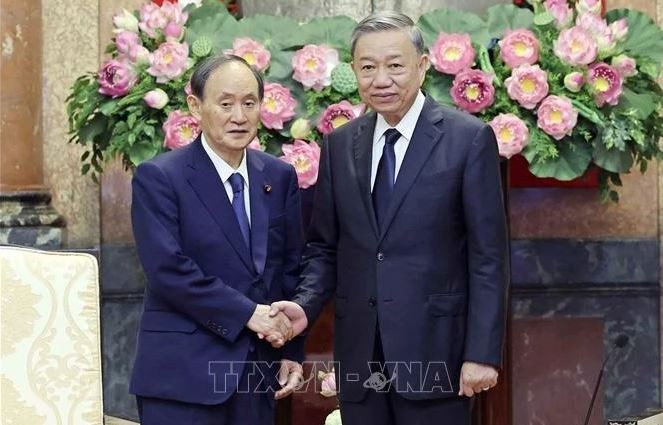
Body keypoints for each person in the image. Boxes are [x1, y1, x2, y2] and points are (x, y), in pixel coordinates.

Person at [272, 11, 509, 425]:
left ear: (422, 66)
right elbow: (325, 247)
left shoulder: (467, 139)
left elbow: (489, 256)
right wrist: (305, 306)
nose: (381, 79)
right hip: (361, 357)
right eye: (367, 67)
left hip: (438, 356)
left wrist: (482, 354)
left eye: (395, 65)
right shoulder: (341, 144)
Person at [130, 55, 305, 425]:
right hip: (182, 378)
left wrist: (291, 348)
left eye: (249, 103)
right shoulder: (160, 177)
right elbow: (168, 271)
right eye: (225, 104)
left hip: (257, 374)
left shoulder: (279, 176)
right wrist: (249, 315)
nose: (238, 116)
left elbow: (290, 267)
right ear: (195, 105)